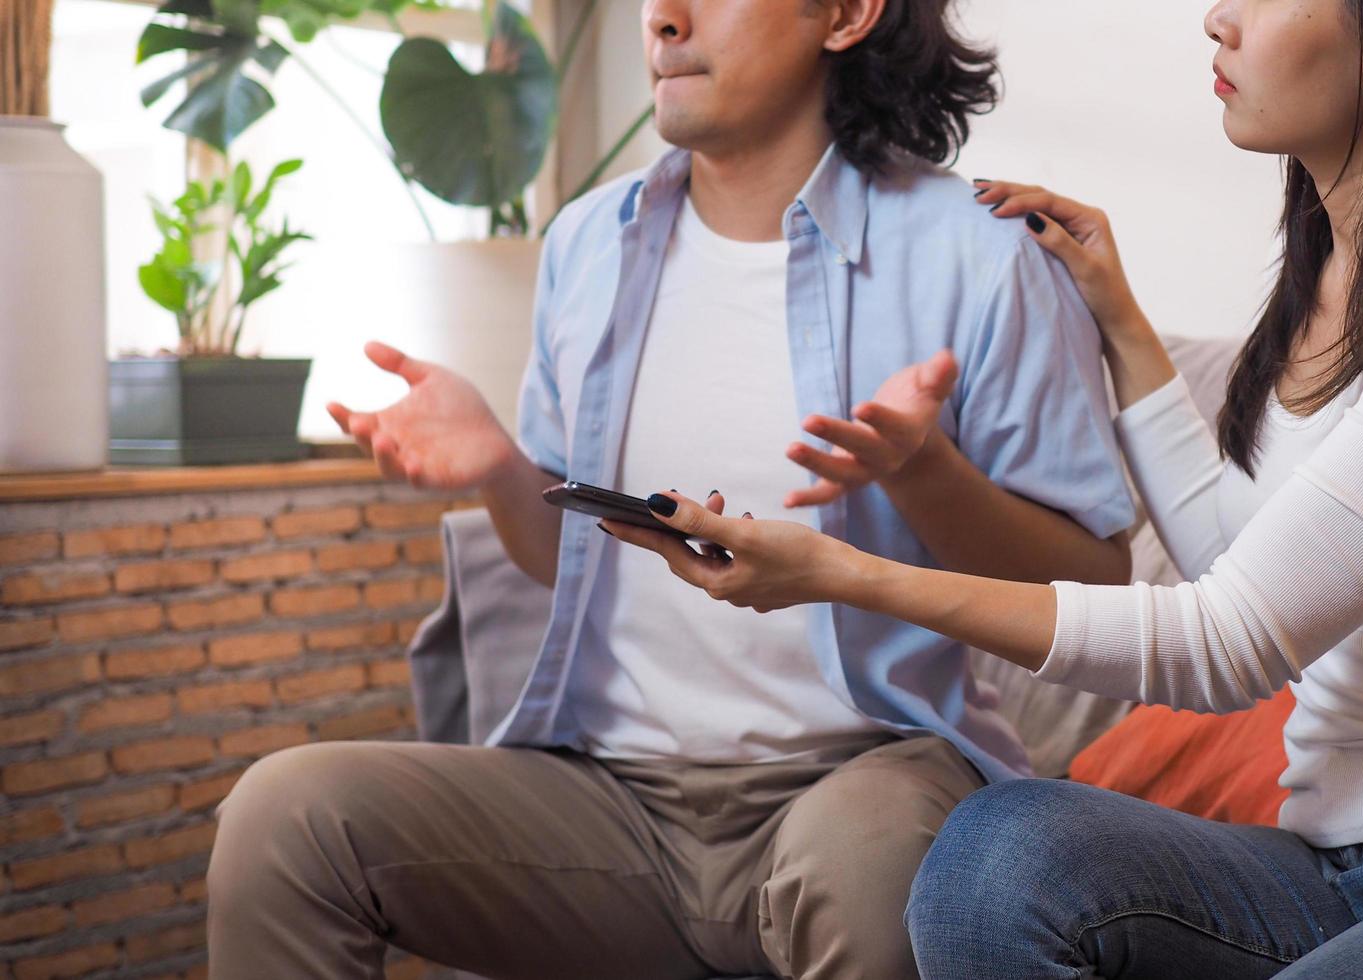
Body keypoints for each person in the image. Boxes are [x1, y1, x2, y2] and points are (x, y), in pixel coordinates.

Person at [603, 0, 1363, 976]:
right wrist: (1117, 313)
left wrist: (845, 573)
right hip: (1333, 861)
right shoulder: (1328, 286)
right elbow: (1230, 560)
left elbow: (1229, 639)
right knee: (997, 850)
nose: (1218, 18)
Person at [203, 0, 1136, 976]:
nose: (664, 18)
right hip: (612, 804)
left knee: (866, 868)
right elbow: (561, 554)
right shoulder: (588, 244)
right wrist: (500, 473)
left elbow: (1095, 584)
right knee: (285, 818)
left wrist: (922, 471)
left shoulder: (982, 254)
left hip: (864, 774)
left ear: (848, 15)